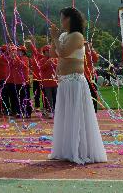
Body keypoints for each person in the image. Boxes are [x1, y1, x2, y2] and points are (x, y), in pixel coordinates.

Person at [48, 8, 107, 164]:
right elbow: (53, 54)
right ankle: (67, 149)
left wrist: (55, 38)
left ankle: (80, 149)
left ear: (69, 19)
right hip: (64, 82)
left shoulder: (77, 36)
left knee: (76, 115)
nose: (61, 21)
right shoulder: (63, 36)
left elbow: (64, 52)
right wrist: (54, 39)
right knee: (66, 116)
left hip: (74, 82)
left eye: (62, 18)